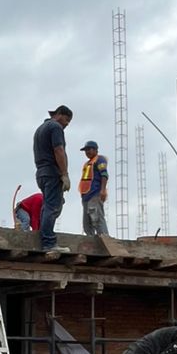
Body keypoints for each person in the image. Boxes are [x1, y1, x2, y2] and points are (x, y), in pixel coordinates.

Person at [33, 104, 73, 256]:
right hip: (51, 172)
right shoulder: (56, 127)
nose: (67, 124)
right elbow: (58, 149)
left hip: (41, 172)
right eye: (67, 120)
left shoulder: (40, 129)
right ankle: (49, 242)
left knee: (47, 206)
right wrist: (64, 174)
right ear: (59, 114)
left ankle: (45, 239)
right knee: (52, 207)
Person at [78, 140, 109, 236]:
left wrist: (103, 190)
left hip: (95, 194)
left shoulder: (99, 160)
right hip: (86, 196)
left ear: (95, 150)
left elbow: (104, 174)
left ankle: (104, 237)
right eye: (86, 150)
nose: (87, 152)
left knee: (97, 218)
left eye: (89, 149)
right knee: (87, 224)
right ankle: (90, 240)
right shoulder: (87, 164)